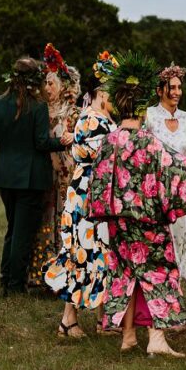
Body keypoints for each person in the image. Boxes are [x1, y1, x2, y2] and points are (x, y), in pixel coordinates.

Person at [88, 51, 186, 358]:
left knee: (126, 274)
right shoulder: (149, 142)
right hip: (148, 224)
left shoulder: (110, 140)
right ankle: (156, 340)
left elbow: (99, 183)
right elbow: (178, 172)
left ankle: (128, 336)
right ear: (143, 109)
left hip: (117, 224)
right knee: (158, 274)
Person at [43, 52, 118, 338]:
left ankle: (103, 320)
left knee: (100, 256)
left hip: (92, 193)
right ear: (101, 92)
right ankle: (68, 322)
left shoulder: (100, 117)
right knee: (84, 256)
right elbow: (93, 156)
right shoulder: (92, 119)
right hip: (87, 194)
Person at [0, 57, 73, 295]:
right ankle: (14, 286)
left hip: (5, 177)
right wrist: (62, 143)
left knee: (13, 229)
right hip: (31, 178)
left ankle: (6, 278)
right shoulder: (37, 106)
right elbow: (41, 143)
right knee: (22, 234)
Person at [143, 64, 186, 319]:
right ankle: (160, 304)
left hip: (183, 194)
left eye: (180, 87)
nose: (177, 92)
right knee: (159, 246)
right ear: (160, 90)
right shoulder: (148, 117)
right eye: (172, 87)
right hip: (156, 193)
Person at [28, 44, 81, 287]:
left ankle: (64, 274)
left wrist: (74, 137)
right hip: (43, 173)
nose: (47, 88)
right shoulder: (38, 110)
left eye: (52, 84)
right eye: (45, 83)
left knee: (64, 220)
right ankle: (40, 274)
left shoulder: (73, 112)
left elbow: (84, 138)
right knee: (43, 220)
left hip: (66, 174)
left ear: (64, 86)